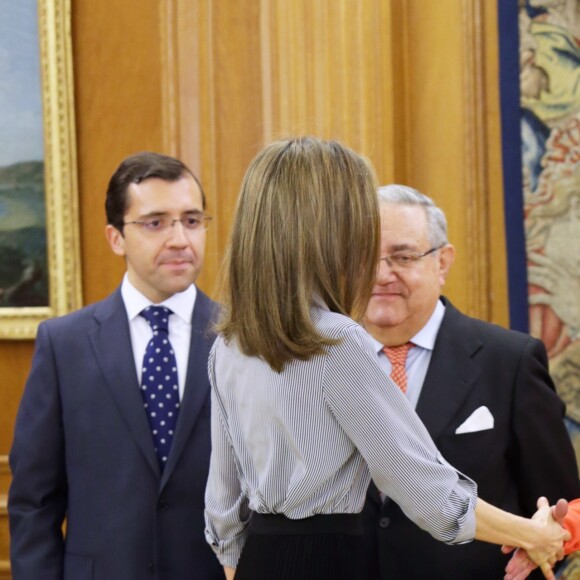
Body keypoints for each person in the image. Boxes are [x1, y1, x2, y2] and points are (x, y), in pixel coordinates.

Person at [203, 136, 569, 580]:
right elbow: (423, 488)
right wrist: (534, 535)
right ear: (332, 229)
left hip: (261, 559)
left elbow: (224, 503)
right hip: (331, 562)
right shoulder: (337, 341)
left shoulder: (230, 342)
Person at [8, 152, 223, 580]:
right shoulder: (64, 345)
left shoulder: (241, 339)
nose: (180, 238)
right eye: (156, 222)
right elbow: (35, 501)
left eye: (192, 220)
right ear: (116, 238)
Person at [360, 184, 580, 580]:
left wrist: (548, 539)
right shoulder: (319, 362)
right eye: (362, 257)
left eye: (402, 256)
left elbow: (566, 506)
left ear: (442, 262)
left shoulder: (509, 361)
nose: (380, 274)